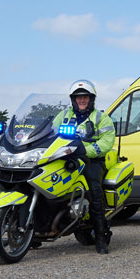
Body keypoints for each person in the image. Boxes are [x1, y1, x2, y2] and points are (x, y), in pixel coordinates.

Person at [53, 79, 116, 254]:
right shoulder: (63, 115)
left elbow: (106, 143)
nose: (82, 100)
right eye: (78, 97)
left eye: (85, 97)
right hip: (64, 157)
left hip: (91, 160)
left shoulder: (101, 118)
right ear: (73, 99)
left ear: (91, 99)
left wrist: (83, 150)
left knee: (94, 190)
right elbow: (49, 131)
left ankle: (101, 235)